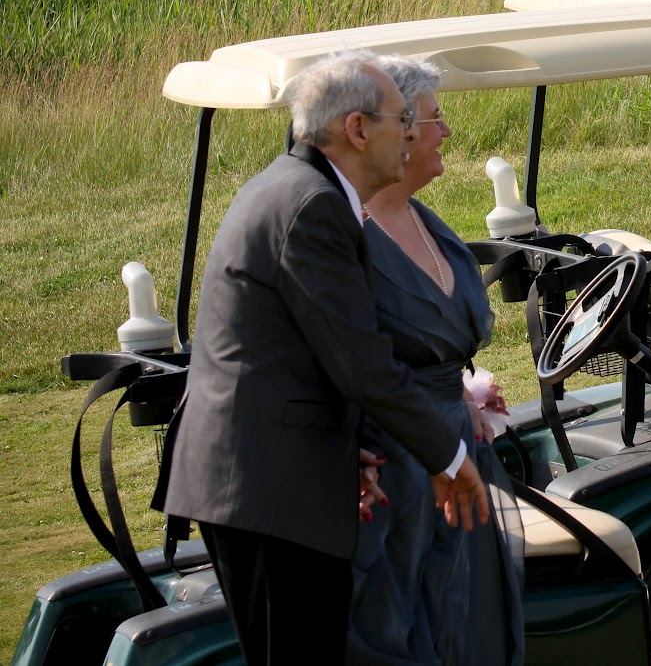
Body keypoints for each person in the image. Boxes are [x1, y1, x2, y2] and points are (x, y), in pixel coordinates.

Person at [158, 50, 489, 666]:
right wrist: (448, 458)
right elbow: (364, 365)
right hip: (268, 490)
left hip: (275, 480)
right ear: (357, 129)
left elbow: (308, 355)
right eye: (401, 119)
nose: (411, 134)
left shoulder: (302, 190)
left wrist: (348, 446)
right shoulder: (312, 206)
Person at [348, 55, 525, 665]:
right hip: (394, 470)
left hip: (456, 455)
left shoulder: (428, 222)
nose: (446, 130)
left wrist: (463, 400)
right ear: (393, 129)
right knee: (405, 626)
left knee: (468, 624)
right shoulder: (349, 234)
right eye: (434, 117)